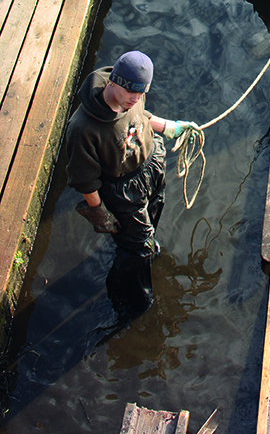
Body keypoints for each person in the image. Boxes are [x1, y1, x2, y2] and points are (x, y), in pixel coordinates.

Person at [66, 50, 199, 314]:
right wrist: (99, 212)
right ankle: (134, 300)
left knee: (154, 211)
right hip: (122, 189)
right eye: (131, 94)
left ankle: (147, 243)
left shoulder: (133, 94)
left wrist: (169, 127)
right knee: (136, 249)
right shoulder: (83, 128)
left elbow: (142, 116)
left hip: (150, 165)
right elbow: (84, 180)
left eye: (141, 93)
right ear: (113, 82)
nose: (136, 99)